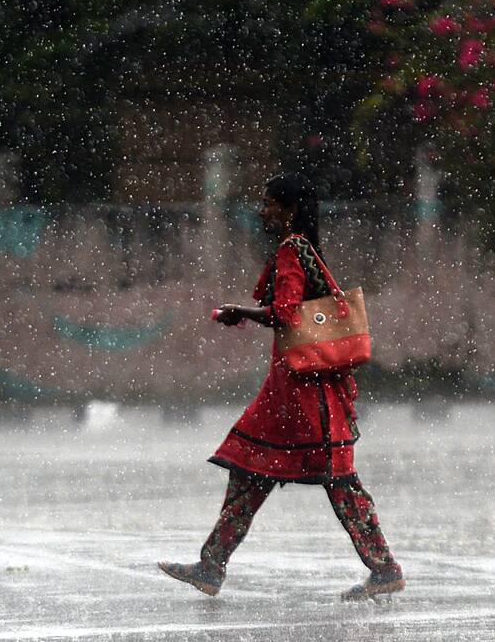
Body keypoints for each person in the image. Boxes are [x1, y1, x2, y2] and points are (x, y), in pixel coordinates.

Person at [158, 172, 404, 601]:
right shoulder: (303, 249)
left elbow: (287, 313)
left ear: (289, 210)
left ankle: (383, 568)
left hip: (301, 395)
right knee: (258, 473)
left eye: (270, 203)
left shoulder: (292, 250)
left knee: (333, 481)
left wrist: (241, 311)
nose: (262, 210)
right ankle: (211, 565)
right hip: (295, 393)